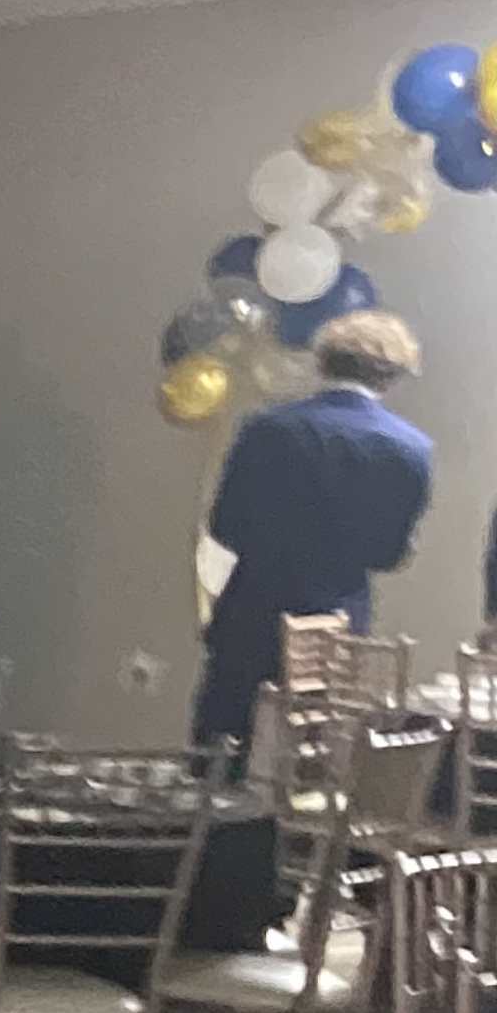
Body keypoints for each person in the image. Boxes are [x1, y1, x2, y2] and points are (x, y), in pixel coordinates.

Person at [192, 309, 430, 760]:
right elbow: (390, 554)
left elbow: (226, 527)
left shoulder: (269, 429)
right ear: (393, 374)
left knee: (223, 746)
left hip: (256, 603)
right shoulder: (411, 449)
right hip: (337, 617)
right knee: (310, 756)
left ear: (324, 362)